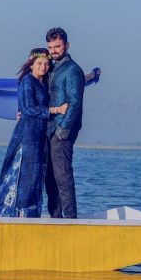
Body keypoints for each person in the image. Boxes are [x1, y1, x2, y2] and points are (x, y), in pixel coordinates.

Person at [0, 48, 68, 218]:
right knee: (23, 174)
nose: (44, 67)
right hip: (27, 136)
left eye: (47, 64)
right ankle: (15, 213)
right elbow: (28, 108)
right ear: (31, 65)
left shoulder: (44, 84)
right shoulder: (27, 81)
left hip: (40, 136)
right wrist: (55, 110)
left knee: (35, 176)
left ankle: (31, 215)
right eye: (39, 63)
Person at [44, 27, 85, 219]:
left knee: (62, 176)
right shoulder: (51, 67)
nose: (54, 50)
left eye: (58, 46)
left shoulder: (73, 70)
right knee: (49, 178)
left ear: (67, 45)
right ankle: (55, 217)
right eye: (51, 47)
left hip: (62, 130)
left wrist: (64, 129)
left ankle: (70, 218)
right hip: (48, 128)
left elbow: (75, 102)